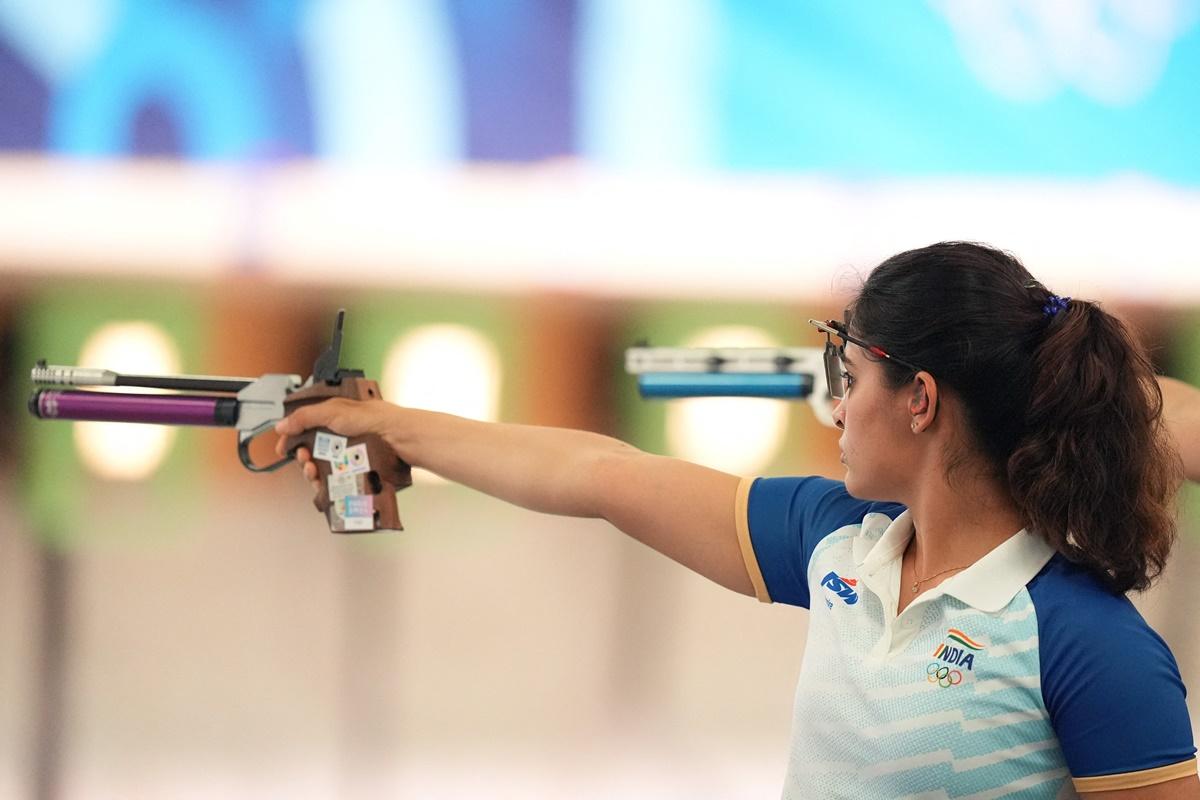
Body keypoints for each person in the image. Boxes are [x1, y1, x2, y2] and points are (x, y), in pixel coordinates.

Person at [276, 242, 1200, 798]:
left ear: (919, 399)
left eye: (853, 378)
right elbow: (600, 472)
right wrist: (391, 427)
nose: (835, 410)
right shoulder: (838, 540)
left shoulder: (1086, 645)